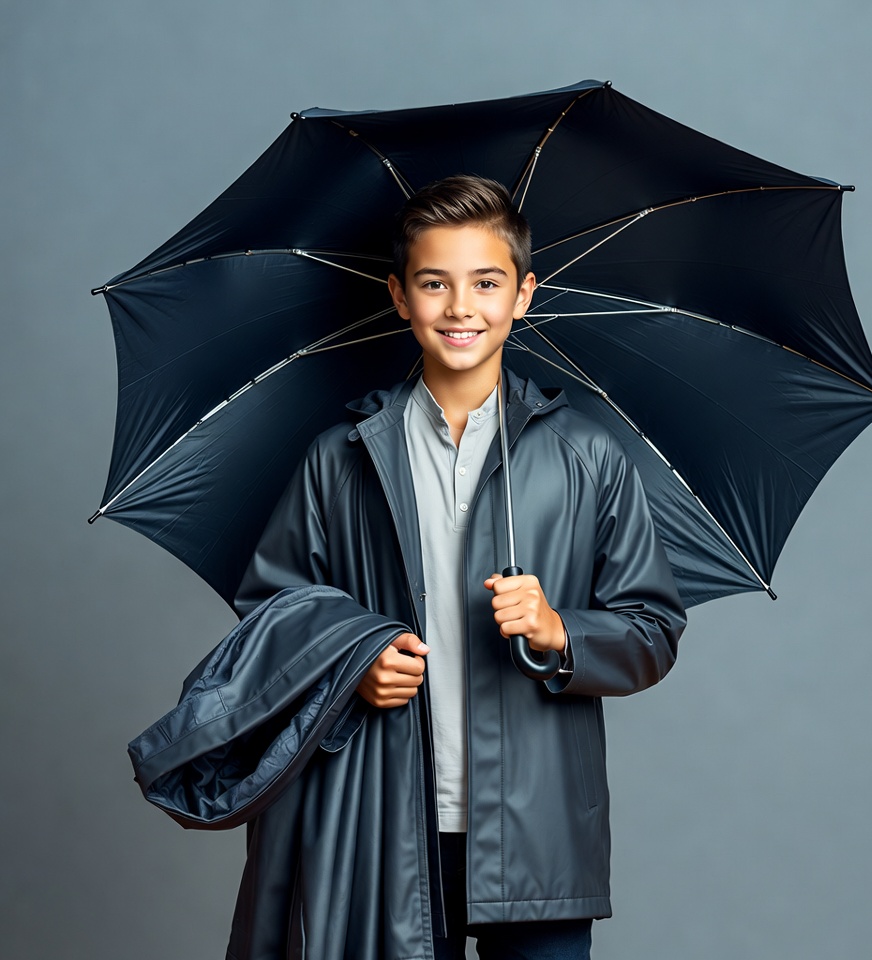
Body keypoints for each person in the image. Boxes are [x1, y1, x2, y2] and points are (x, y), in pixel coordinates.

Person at [233, 175, 687, 959]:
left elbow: (654, 630)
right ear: (400, 296)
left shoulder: (588, 455)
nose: (460, 307)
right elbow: (270, 609)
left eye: (486, 282)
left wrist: (559, 630)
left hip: (538, 830)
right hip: (384, 822)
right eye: (434, 283)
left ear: (524, 294)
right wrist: (354, 664)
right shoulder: (340, 459)